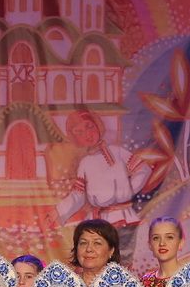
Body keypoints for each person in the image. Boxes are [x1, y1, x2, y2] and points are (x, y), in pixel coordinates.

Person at [55, 110, 153, 259]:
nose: (87, 134)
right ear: (75, 138)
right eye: (79, 132)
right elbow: (78, 195)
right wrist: (58, 211)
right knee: (100, 260)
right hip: (100, 221)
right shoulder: (85, 163)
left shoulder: (117, 152)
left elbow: (143, 169)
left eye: (89, 126)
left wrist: (128, 190)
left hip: (123, 217)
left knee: (124, 257)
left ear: (98, 125)